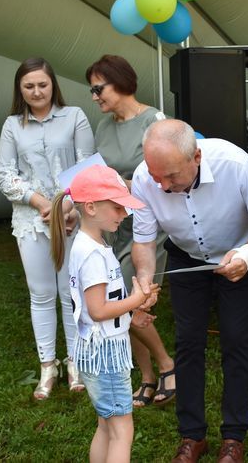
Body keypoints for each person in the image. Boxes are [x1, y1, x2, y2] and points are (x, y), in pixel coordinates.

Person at [131, 119, 248, 463]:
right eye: (157, 176)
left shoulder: (235, 163)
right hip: (185, 256)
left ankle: (233, 438)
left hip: (238, 254)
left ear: (196, 157)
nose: (163, 185)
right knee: (187, 342)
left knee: (236, 340)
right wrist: (144, 279)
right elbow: (143, 240)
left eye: (171, 176)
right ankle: (192, 436)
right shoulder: (145, 177)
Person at [0, 57, 96, 400]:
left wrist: (66, 207)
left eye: (42, 84)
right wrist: (40, 202)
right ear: (20, 89)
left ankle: (75, 361)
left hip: (71, 217)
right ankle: (47, 365)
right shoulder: (12, 125)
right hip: (31, 220)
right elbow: (5, 174)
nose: (36, 92)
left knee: (71, 291)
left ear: (53, 84)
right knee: (40, 294)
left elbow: (86, 167)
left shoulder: (75, 116)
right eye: (29, 86)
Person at [49, 164, 160, 463]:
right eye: (117, 207)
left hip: (98, 349)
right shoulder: (92, 253)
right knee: (122, 430)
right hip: (106, 354)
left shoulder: (92, 245)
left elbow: (101, 304)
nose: (124, 215)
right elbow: (98, 310)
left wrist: (131, 313)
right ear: (91, 207)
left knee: (106, 425)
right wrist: (135, 298)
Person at [86, 54, 176, 408]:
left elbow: (164, 179)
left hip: (147, 227)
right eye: (92, 91)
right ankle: (148, 377)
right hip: (113, 226)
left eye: (99, 88)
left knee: (125, 301)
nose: (95, 96)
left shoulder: (155, 122)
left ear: (121, 82)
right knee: (118, 301)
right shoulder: (103, 127)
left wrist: (119, 185)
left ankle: (167, 364)